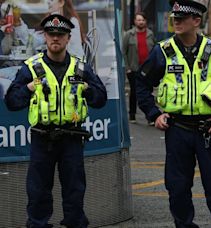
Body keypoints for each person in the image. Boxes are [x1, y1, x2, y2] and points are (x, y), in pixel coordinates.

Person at [136, 0, 211, 227]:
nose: (177, 23)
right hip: (178, 130)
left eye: (182, 19)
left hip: (209, 131)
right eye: (175, 19)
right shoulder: (163, 51)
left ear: (196, 21)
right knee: (177, 187)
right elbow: (141, 85)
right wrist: (154, 114)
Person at [4, 14, 107, 227]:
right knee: (38, 190)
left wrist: (87, 90)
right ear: (45, 36)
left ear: (68, 38)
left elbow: (101, 99)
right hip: (42, 139)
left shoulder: (80, 68)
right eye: (51, 34)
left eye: (60, 35)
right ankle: (38, 224)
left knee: (75, 189)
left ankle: (75, 223)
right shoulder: (32, 68)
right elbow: (12, 101)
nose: (55, 39)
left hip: (72, 138)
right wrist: (28, 88)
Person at [13, 0, 85, 58]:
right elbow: (32, 42)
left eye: (51, 0)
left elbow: (76, 52)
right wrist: (18, 23)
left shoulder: (72, 21)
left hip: (67, 67)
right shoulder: (48, 22)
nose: (47, 1)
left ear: (61, 2)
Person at [122, 12, 155, 124]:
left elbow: (154, 51)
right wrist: (127, 68)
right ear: (135, 22)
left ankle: (149, 115)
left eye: (143, 20)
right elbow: (123, 52)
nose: (141, 22)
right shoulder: (128, 34)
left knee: (148, 92)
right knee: (134, 92)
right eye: (138, 20)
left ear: (145, 22)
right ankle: (132, 115)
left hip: (148, 69)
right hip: (134, 68)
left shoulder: (150, 34)